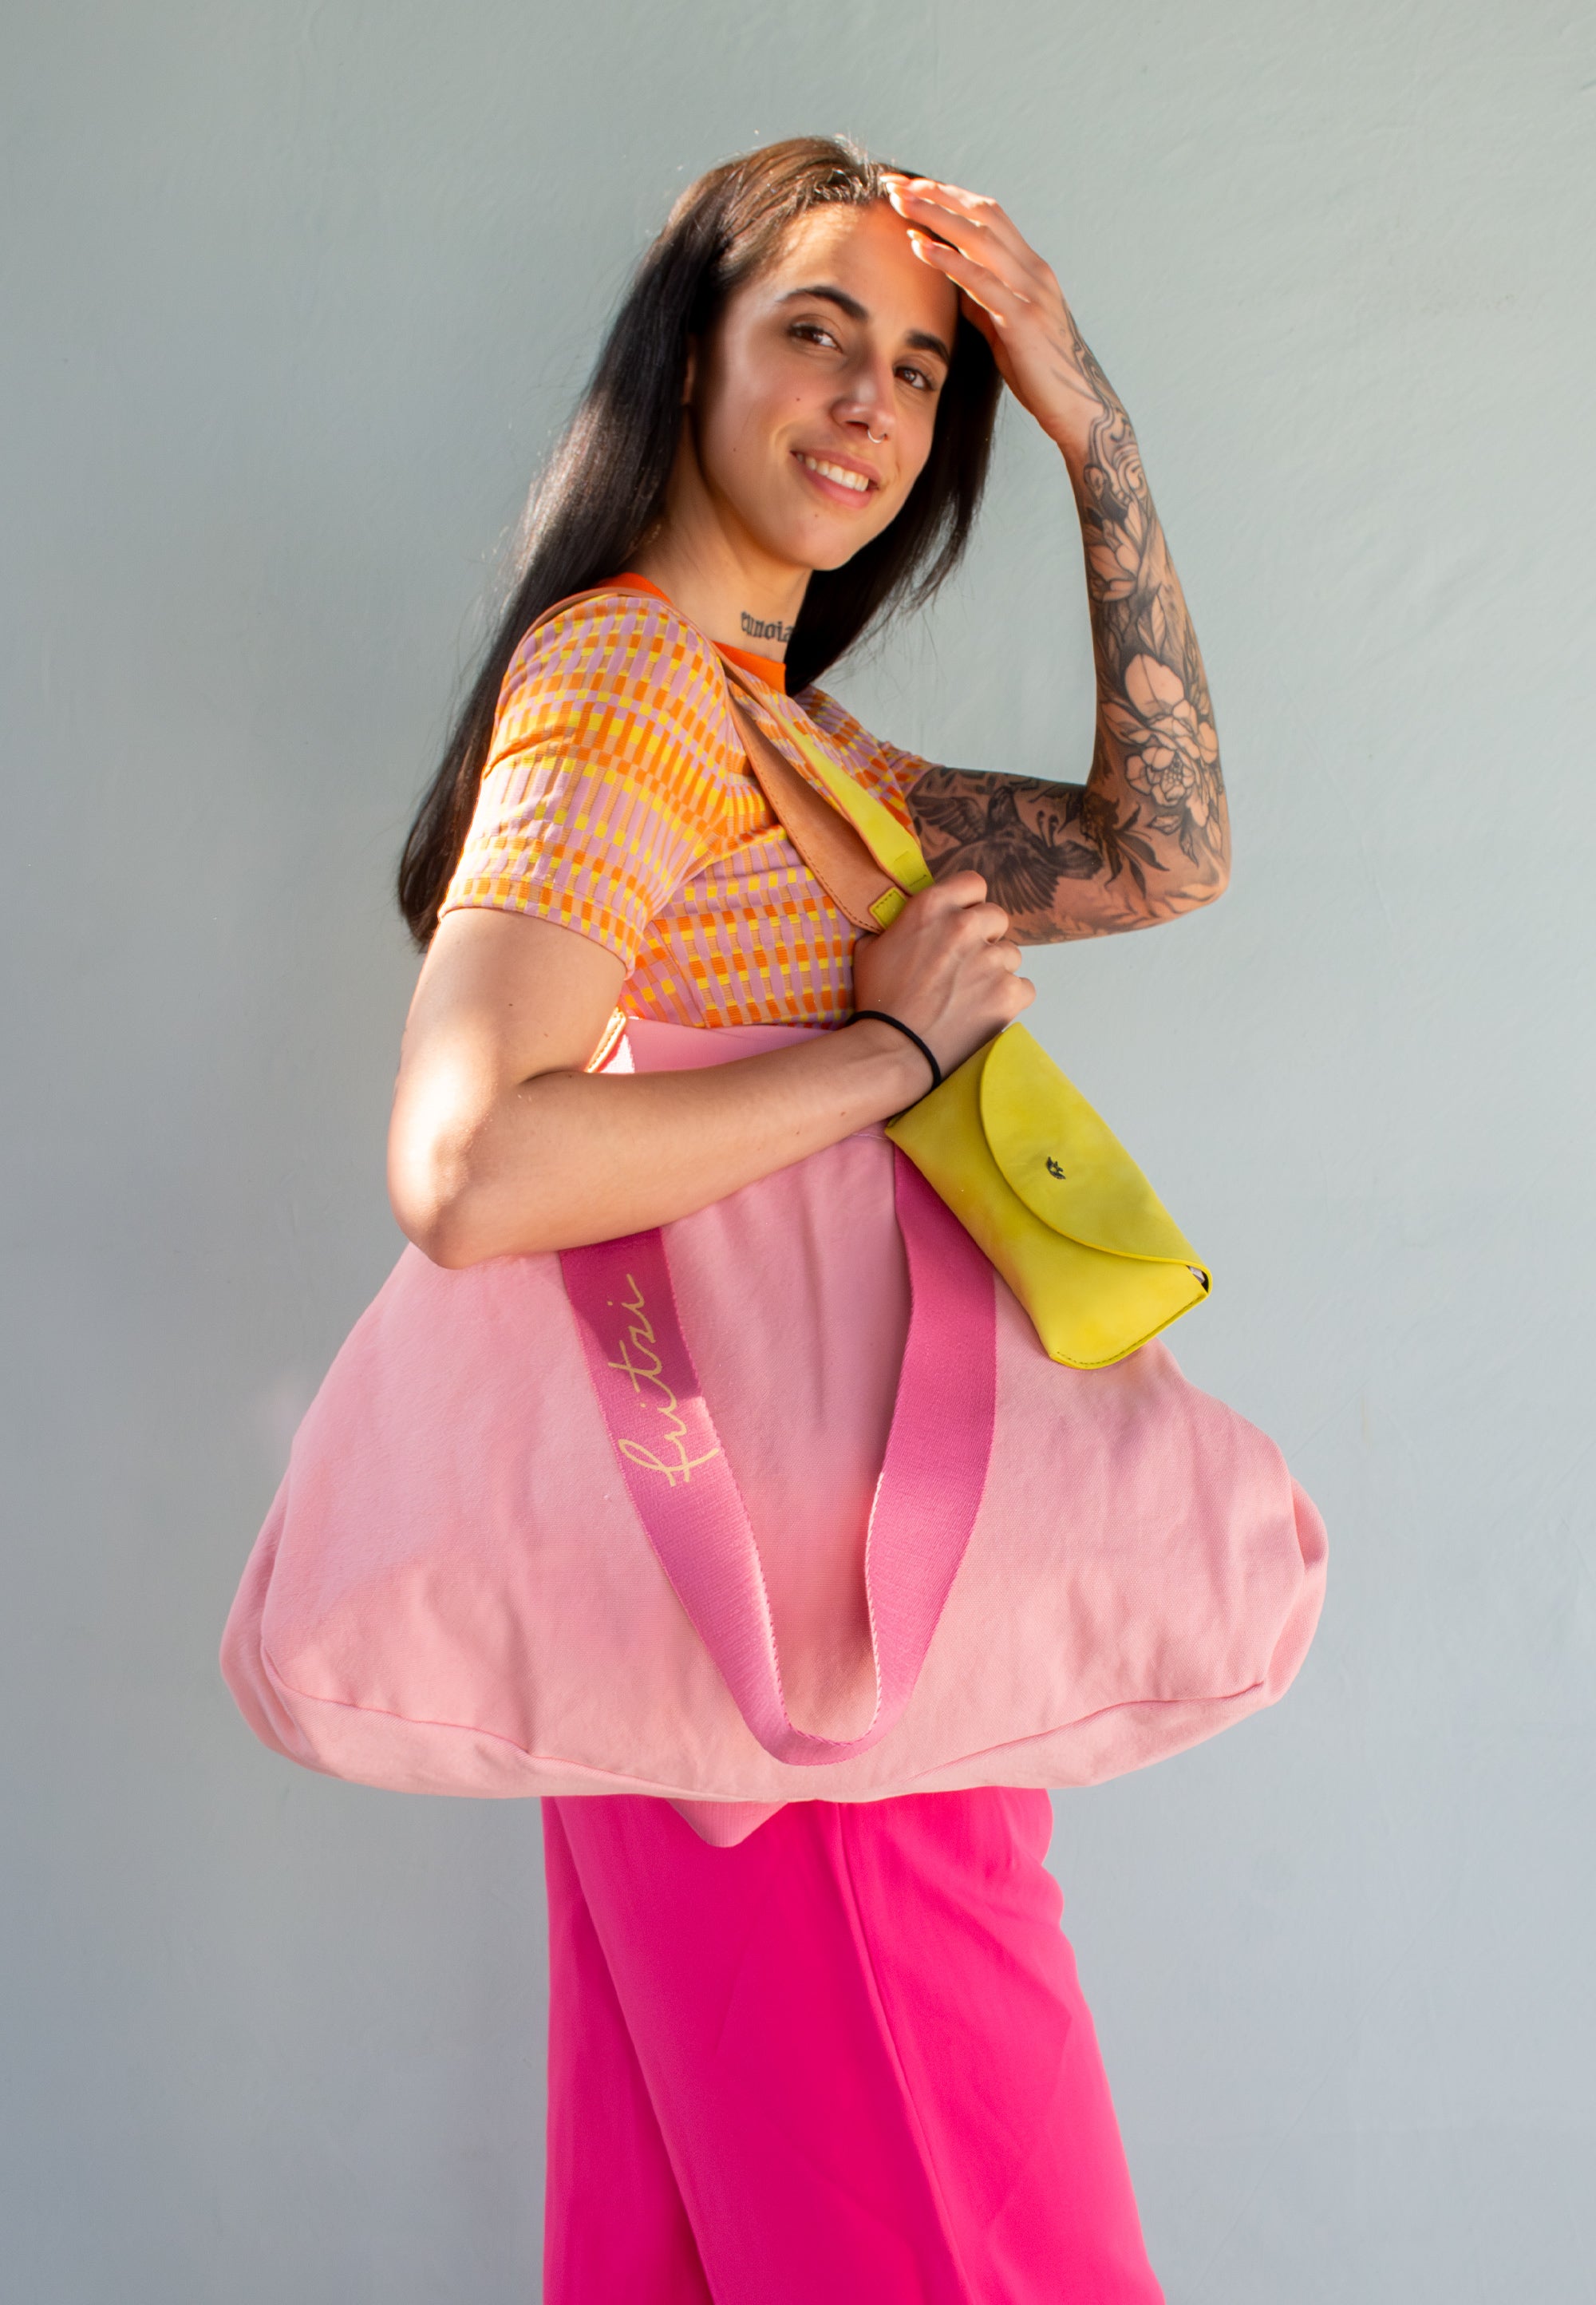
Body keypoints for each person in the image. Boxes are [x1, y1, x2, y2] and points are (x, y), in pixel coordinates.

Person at [389, 136, 1227, 2305]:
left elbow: (1164, 849)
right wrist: (888, 1056)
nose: (873, 401)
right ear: (690, 361)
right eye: (818, 334)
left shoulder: (779, 734)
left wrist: (1088, 417)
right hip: (797, 1681)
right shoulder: (632, 685)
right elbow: (468, 1167)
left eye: (924, 370)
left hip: (759, 1639)